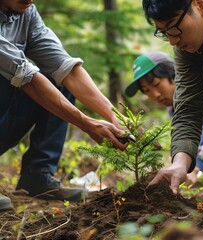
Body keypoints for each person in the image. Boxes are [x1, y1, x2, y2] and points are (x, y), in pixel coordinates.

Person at [0, 0, 128, 211]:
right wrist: (87, 124)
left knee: (57, 79)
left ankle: (37, 176)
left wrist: (115, 116)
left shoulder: (26, 13)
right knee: (20, 78)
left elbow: (64, 67)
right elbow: (25, 76)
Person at [141, 0, 203, 203]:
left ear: (200, 6)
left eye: (173, 27)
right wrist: (180, 162)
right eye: (163, 32)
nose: (171, 41)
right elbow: (187, 107)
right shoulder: (188, 46)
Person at [125, 51, 203, 186]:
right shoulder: (173, 106)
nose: (155, 94)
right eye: (147, 90)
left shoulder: (202, 83)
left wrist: (195, 167)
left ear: (173, 74)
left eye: (156, 84)